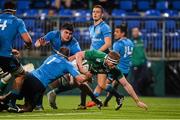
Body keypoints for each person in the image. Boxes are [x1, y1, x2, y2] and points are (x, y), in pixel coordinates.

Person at [0, 47, 102, 113]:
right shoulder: (67, 64)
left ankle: (4, 104)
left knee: (16, 95)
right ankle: (8, 107)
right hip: (38, 84)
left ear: (58, 52)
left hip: (29, 76)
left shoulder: (51, 56)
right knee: (29, 107)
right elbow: (80, 79)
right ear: (67, 56)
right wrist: (89, 74)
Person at [76, 50, 148, 110]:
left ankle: (117, 96)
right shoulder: (97, 55)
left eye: (115, 64)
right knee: (80, 80)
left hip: (94, 70)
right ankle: (88, 102)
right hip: (82, 65)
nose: (114, 66)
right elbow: (79, 54)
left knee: (100, 85)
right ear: (108, 60)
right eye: (113, 64)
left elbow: (126, 84)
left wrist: (137, 101)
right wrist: (81, 68)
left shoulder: (114, 69)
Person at [35, 22, 81, 110]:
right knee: (43, 81)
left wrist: (66, 61)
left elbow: (79, 55)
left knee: (76, 83)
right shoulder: (53, 34)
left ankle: (86, 101)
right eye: (66, 32)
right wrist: (40, 44)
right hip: (54, 64)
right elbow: (37, 43)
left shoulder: (74, 42)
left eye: (70, 34)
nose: (68, 35)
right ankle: (38, 104)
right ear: (60, 31)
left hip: (66, 66)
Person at [0, 1, 32, 110]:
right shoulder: (17, 21)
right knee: (21, 74)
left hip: (4, 52)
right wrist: (28, 45)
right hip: (5, 56)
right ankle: (12, 104)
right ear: (14, 11)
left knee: (4, 76)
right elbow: (28, 40)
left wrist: (10, 48)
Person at [103, 24, 134, 109]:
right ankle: (106, 103)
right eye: (115, 31)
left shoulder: (117, 44)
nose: (114, 33)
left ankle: (119, 97)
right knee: (114, 87)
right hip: (126, 70)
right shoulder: (130, 42)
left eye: (117, 32)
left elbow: (113, 58)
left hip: (117, 69)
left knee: (103, 84)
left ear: (123, 33)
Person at [130, 27, 152, 95]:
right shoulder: (130, 42)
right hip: (134, 63)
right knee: (135, 80)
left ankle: (142, 92)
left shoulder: (142, 40)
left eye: (137, 31)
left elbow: (144, 51)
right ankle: (136, 94)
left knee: (145, 77)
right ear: (132, 33)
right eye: (134, 31)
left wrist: (147, 59)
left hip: (143, 62)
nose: (135, 33)